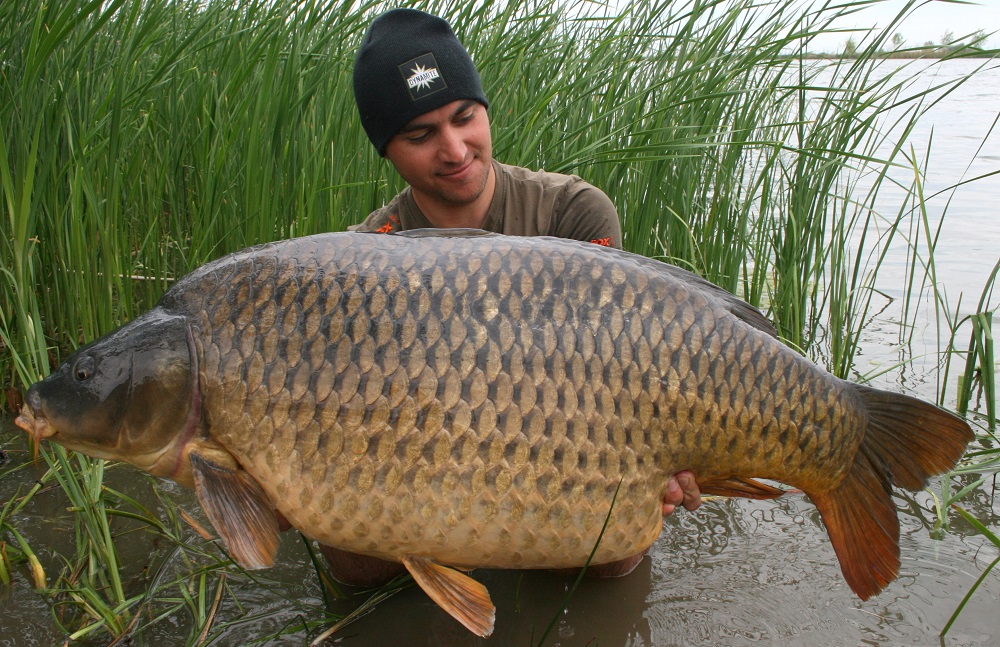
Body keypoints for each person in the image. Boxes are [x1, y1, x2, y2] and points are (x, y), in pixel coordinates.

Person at [327, 7, 701, 586]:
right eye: (420, 135)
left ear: (483, 110)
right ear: (387, 150)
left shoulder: (575, 213)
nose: (454, 149)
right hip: (424, 468)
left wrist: (670, 455)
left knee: (614, 553)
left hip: (569, 447)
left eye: (464, 117)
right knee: (348, 563)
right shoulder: (363, 262)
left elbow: (620, 375)